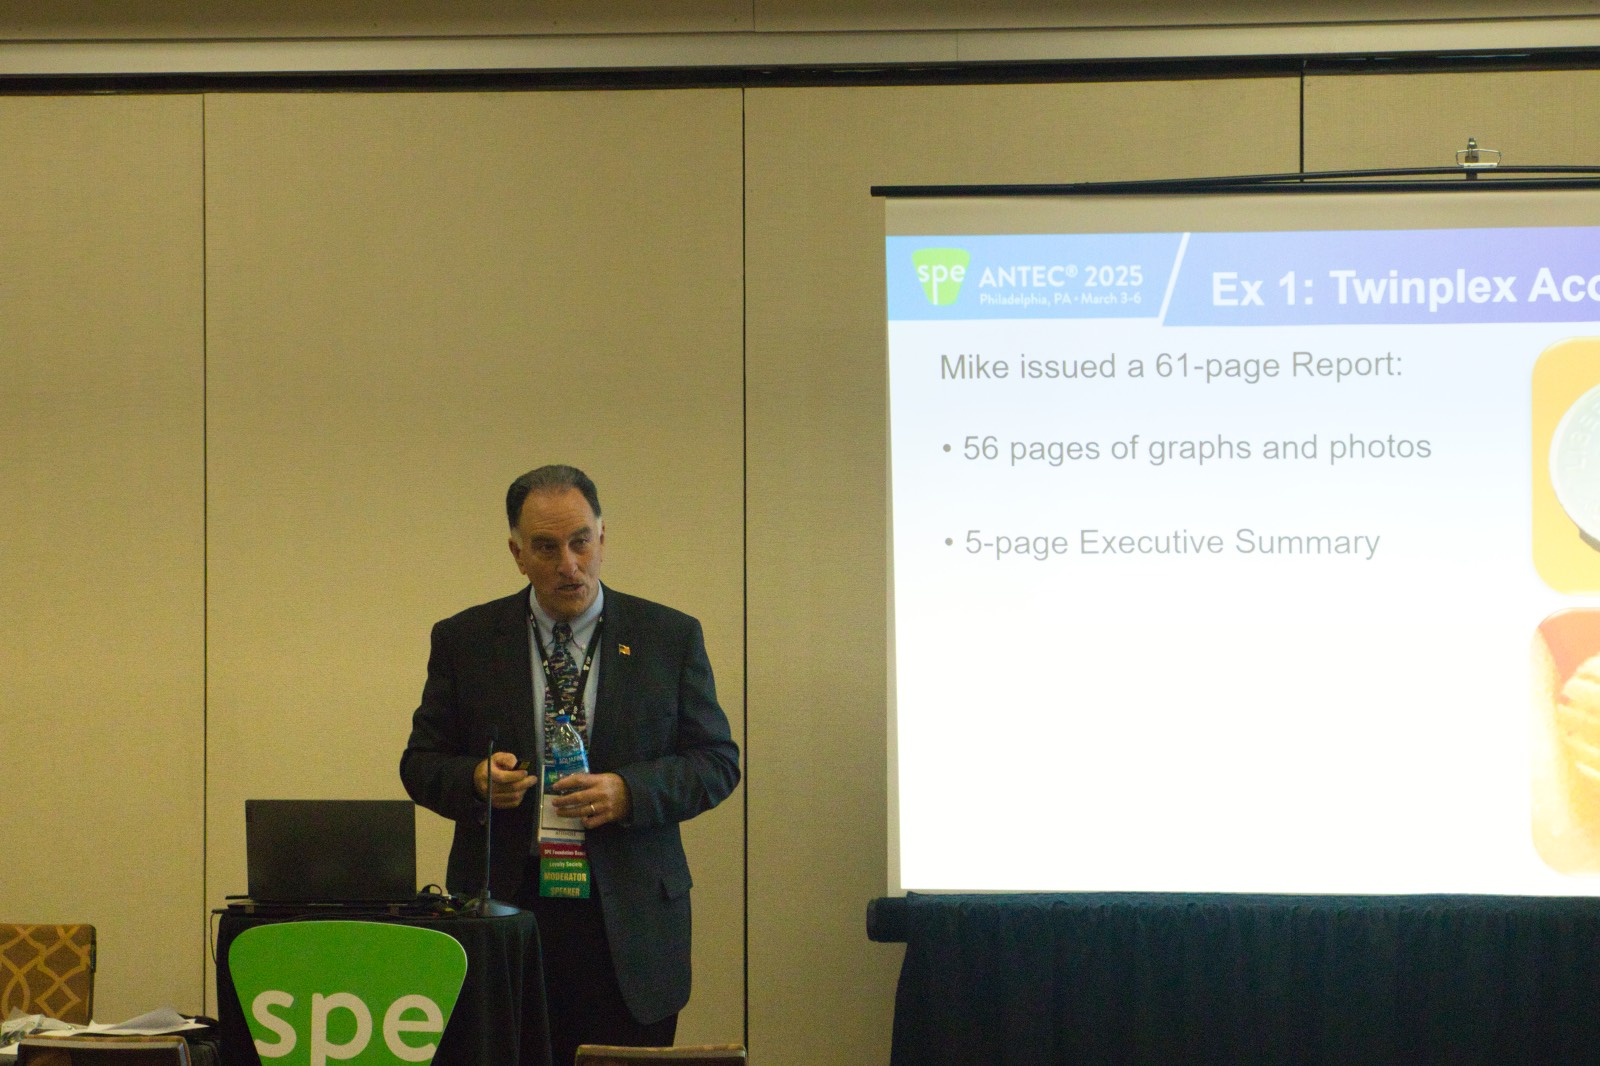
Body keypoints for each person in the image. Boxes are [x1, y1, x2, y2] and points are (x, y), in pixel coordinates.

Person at [401, 464, 741, 1066]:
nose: (569, 564)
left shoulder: (668, 637)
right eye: (546, 547)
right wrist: (474, 781)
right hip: (509, 912)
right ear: (517, 554)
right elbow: (421, 762)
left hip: (627, 919)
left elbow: (716, 762)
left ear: (603, 538)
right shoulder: (465, 639)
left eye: (581, 542)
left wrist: (631, 791)